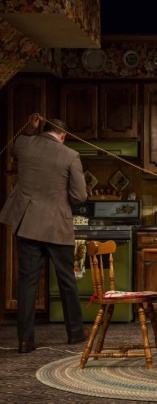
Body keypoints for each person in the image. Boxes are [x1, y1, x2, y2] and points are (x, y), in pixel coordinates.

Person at [0, 114, 89, 353]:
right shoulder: (71, 155)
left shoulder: (24, 144)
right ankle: (75, 333)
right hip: (57, 225)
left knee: (27, 281)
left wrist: (30, 128)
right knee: (66, 280)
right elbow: (79, 196)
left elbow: (16, 148)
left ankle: (25, 340)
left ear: (43, 129)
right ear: (63, 136)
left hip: (27, 222)